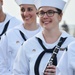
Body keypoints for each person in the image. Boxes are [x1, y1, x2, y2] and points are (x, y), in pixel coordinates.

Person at [12, 0, 75, 75]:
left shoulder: (71, 44)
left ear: (60, 16)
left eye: (50, 12)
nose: (45, 16)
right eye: (41, 13)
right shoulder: (27, 45)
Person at [0, 0, 41, 75]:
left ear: (37, 11)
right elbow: (1, 64)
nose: (25, 13)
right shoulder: (9, 35)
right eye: (22, 10)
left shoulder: (45, 34)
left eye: (29, 9)